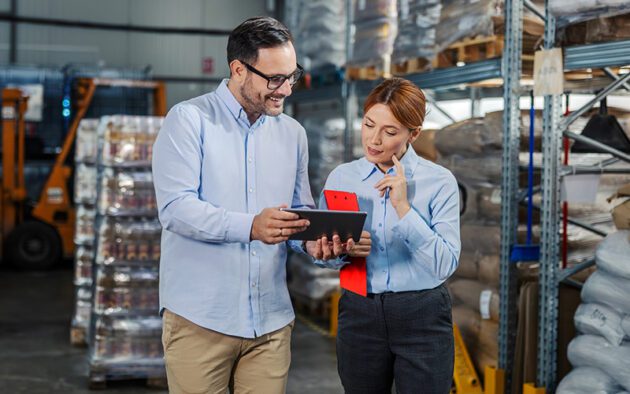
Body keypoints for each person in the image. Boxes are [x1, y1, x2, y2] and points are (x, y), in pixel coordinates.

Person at [152, 16, 318, 394]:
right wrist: (251, 227)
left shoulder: (293, 134)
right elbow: (176, 208)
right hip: (201, 321)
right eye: (275, 79)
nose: (286, 90)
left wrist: (316, 243)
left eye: (292, 76)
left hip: (271, 323)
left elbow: (297, 215)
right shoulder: (188, 120)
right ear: (238, 69)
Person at [313, 77, 461, 394]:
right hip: (359, 313)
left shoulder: (440, 182)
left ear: (414, 134)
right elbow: (322, 254)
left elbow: (444, 265)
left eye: (390, 132)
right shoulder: (342, 177)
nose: (374, 139)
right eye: (368, 124)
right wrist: (337, 252)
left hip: (422, 316)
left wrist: (404, 208)